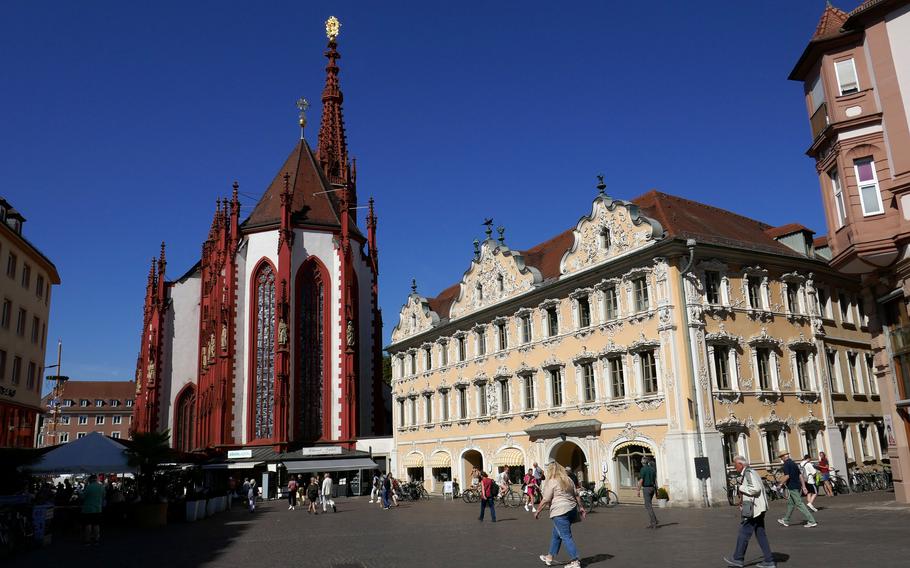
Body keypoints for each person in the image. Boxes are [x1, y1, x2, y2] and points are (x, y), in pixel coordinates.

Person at [723, 456, 776, 568]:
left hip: (754, 509)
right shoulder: (752, 471)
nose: (734, 467)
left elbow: (755, 489)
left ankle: (738, 559)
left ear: (741, 464)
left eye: (735, 465)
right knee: (760, 533)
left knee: (744, 532)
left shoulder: (748, 473)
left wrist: (740, 488)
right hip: (758, 508)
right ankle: (769, 560)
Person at [535, 462, 585, 568]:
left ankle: (575, 561)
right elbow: (576, 495)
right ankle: (549, 557)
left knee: (566, 536)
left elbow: (546, 499)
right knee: (556, 534)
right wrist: (581, 507)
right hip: (571, 510)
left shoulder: (552, 481)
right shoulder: (569, 480)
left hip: (560, 511)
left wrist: (538, 510)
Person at [776, 451, 817, 528]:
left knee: (799, 504)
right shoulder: (793, 463)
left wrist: (780, 484)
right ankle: (786, 520)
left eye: (781, 457)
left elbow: (787, 476)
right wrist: (804, 486)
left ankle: (812, 521)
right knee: (791, 504)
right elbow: (800, 475)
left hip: (792, 487)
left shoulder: (786, 464)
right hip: (797, 486)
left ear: (783, 457)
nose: (781, 459)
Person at [81, 474, 105, 545]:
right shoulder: (101, 487)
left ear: (91, 480)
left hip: (88, 509)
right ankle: (96, 540)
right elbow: (104, 496)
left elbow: (82, 497)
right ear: (96, 479)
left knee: (88, 525)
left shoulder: (88, 487)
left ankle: (87, 540)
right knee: (96, 525)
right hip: (98, 508)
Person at [637, 456, 659, 529]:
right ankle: (653, 521)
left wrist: (638, 490)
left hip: (646, 488)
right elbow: (655, 481)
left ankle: (654, 522)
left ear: (643, 462)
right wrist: (656, 491)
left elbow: (641, 480)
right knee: (649, 505)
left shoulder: (643, 469)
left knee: (648, 506)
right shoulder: (652, 469)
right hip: (652, 488)